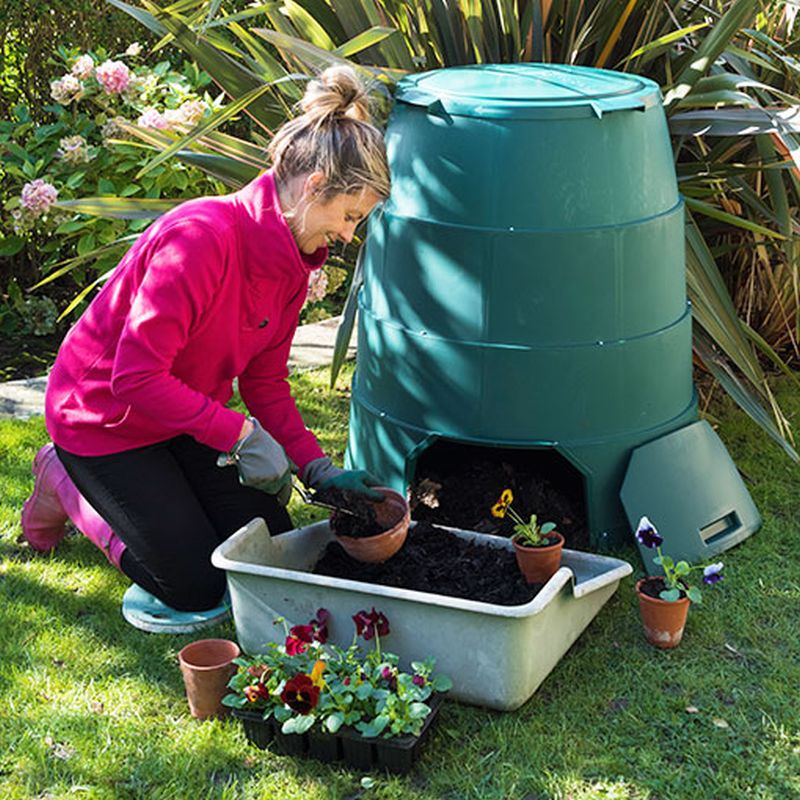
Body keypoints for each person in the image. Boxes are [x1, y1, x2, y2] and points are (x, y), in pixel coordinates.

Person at [20, 65, 389, 629]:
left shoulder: (292, 265)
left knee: (267, 541)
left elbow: (264, 384)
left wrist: (316, 468)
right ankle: (64, 483)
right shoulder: (201, 238)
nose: (347, 235)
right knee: (193, 585)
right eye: (348, 216)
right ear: (314, 187)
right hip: (102, 417)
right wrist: (240, 436)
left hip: (178, 417)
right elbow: (135, 378)